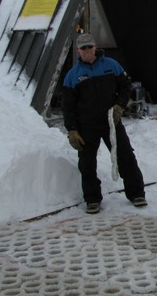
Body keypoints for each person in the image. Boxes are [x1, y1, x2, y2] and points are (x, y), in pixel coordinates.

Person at [62, 33, 147, 214]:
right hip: (87, 126)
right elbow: (68, 107)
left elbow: (126, 86)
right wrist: (72, 130)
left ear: (95, 47)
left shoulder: (111, 66)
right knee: (87, 163)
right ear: (78, 51)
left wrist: (119, 106)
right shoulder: (72, 76)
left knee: (125, 156)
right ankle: (92, 199)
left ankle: (136, 193)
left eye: (89, 47)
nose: (87, 51)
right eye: (83, 48)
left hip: (111, 121)